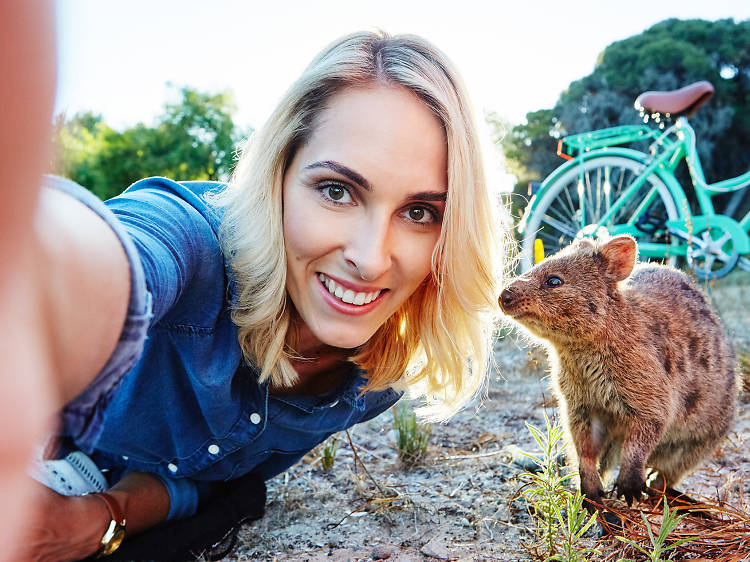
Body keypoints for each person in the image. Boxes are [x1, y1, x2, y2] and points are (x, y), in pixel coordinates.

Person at [20, 30, 506, 560]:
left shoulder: (377, 374)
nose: (370, 259)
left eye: (419, 213)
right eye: (336, 191)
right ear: (278, 174)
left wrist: (104, 518)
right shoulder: (194, 243)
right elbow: (105, 258)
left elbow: (213, 480)